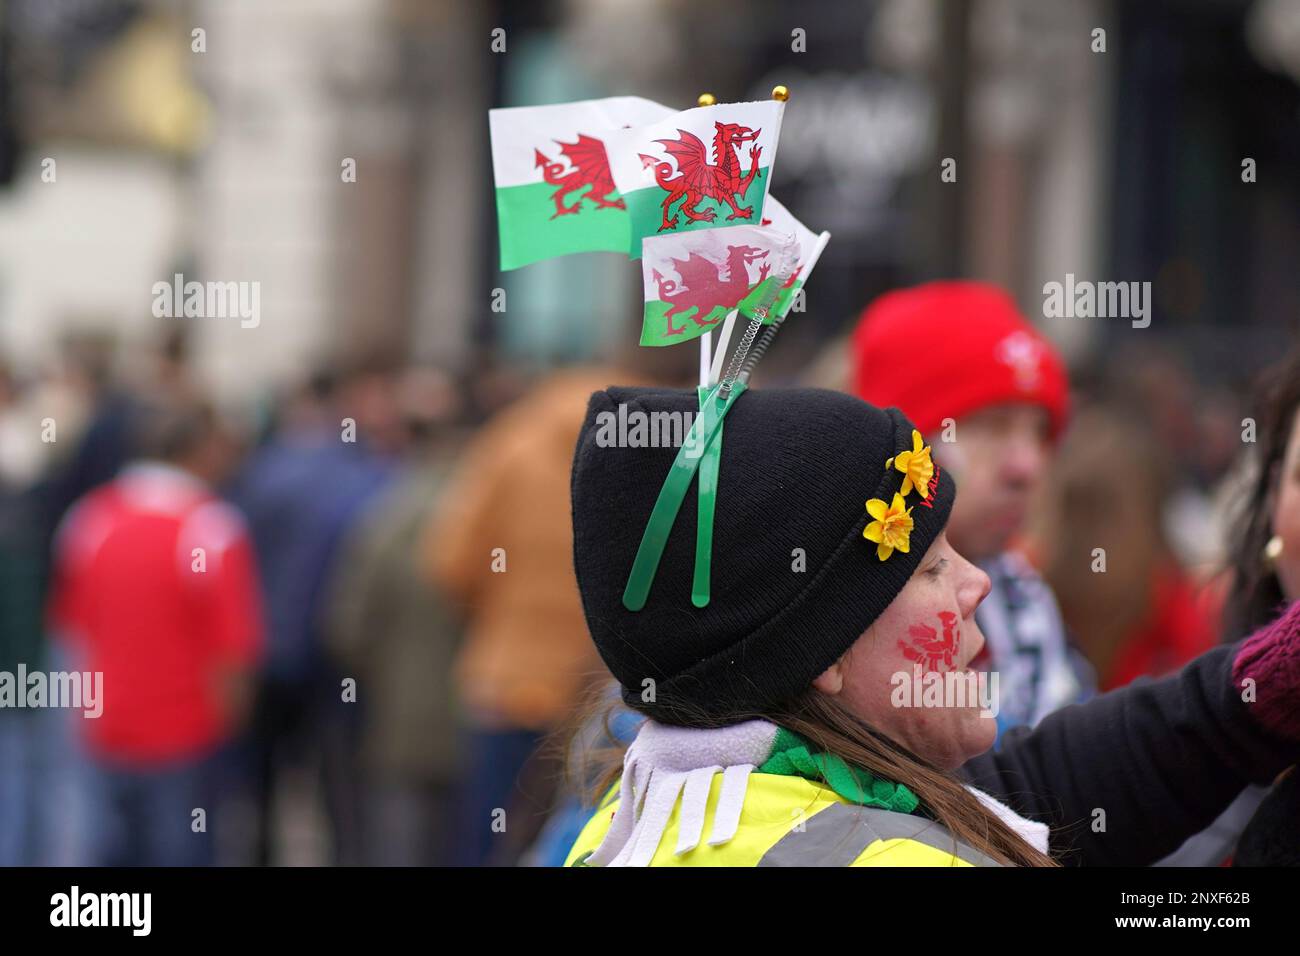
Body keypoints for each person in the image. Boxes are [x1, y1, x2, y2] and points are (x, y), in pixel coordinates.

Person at [562, 385, 1300, 866]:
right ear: (822, 649)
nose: (977, 583)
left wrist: (1252, 691)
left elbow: (1017, 794)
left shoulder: (639, 815)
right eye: (930, 568)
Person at [851, 281, 1091, 739]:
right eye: (990, 425)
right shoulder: (839, 622)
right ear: (905, 446)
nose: (1027, 466)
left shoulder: (1025, 600)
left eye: (1039, 432)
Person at [48, 399, 264, 866]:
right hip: (185, 737)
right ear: (201, 450)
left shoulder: (91, 519)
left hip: (105, 733)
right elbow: (233, 654)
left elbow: (72, 634)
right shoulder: (211, 528)